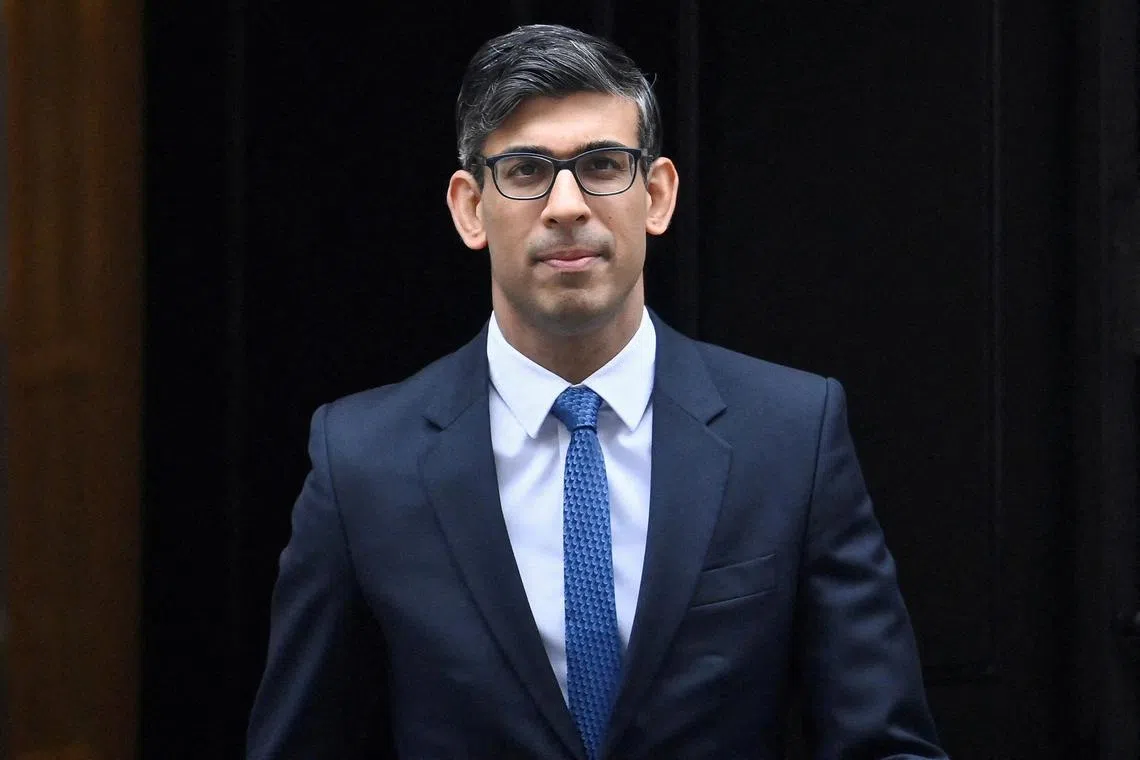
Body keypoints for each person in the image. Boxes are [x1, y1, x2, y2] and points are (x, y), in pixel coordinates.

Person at [246, 23, 948, 760]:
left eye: (603, 164)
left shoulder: (790, 435)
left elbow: (884, 743)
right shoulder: (363, 462)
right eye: (525, 170)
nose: (567, 205)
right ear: (469, 208)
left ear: (657, 195)